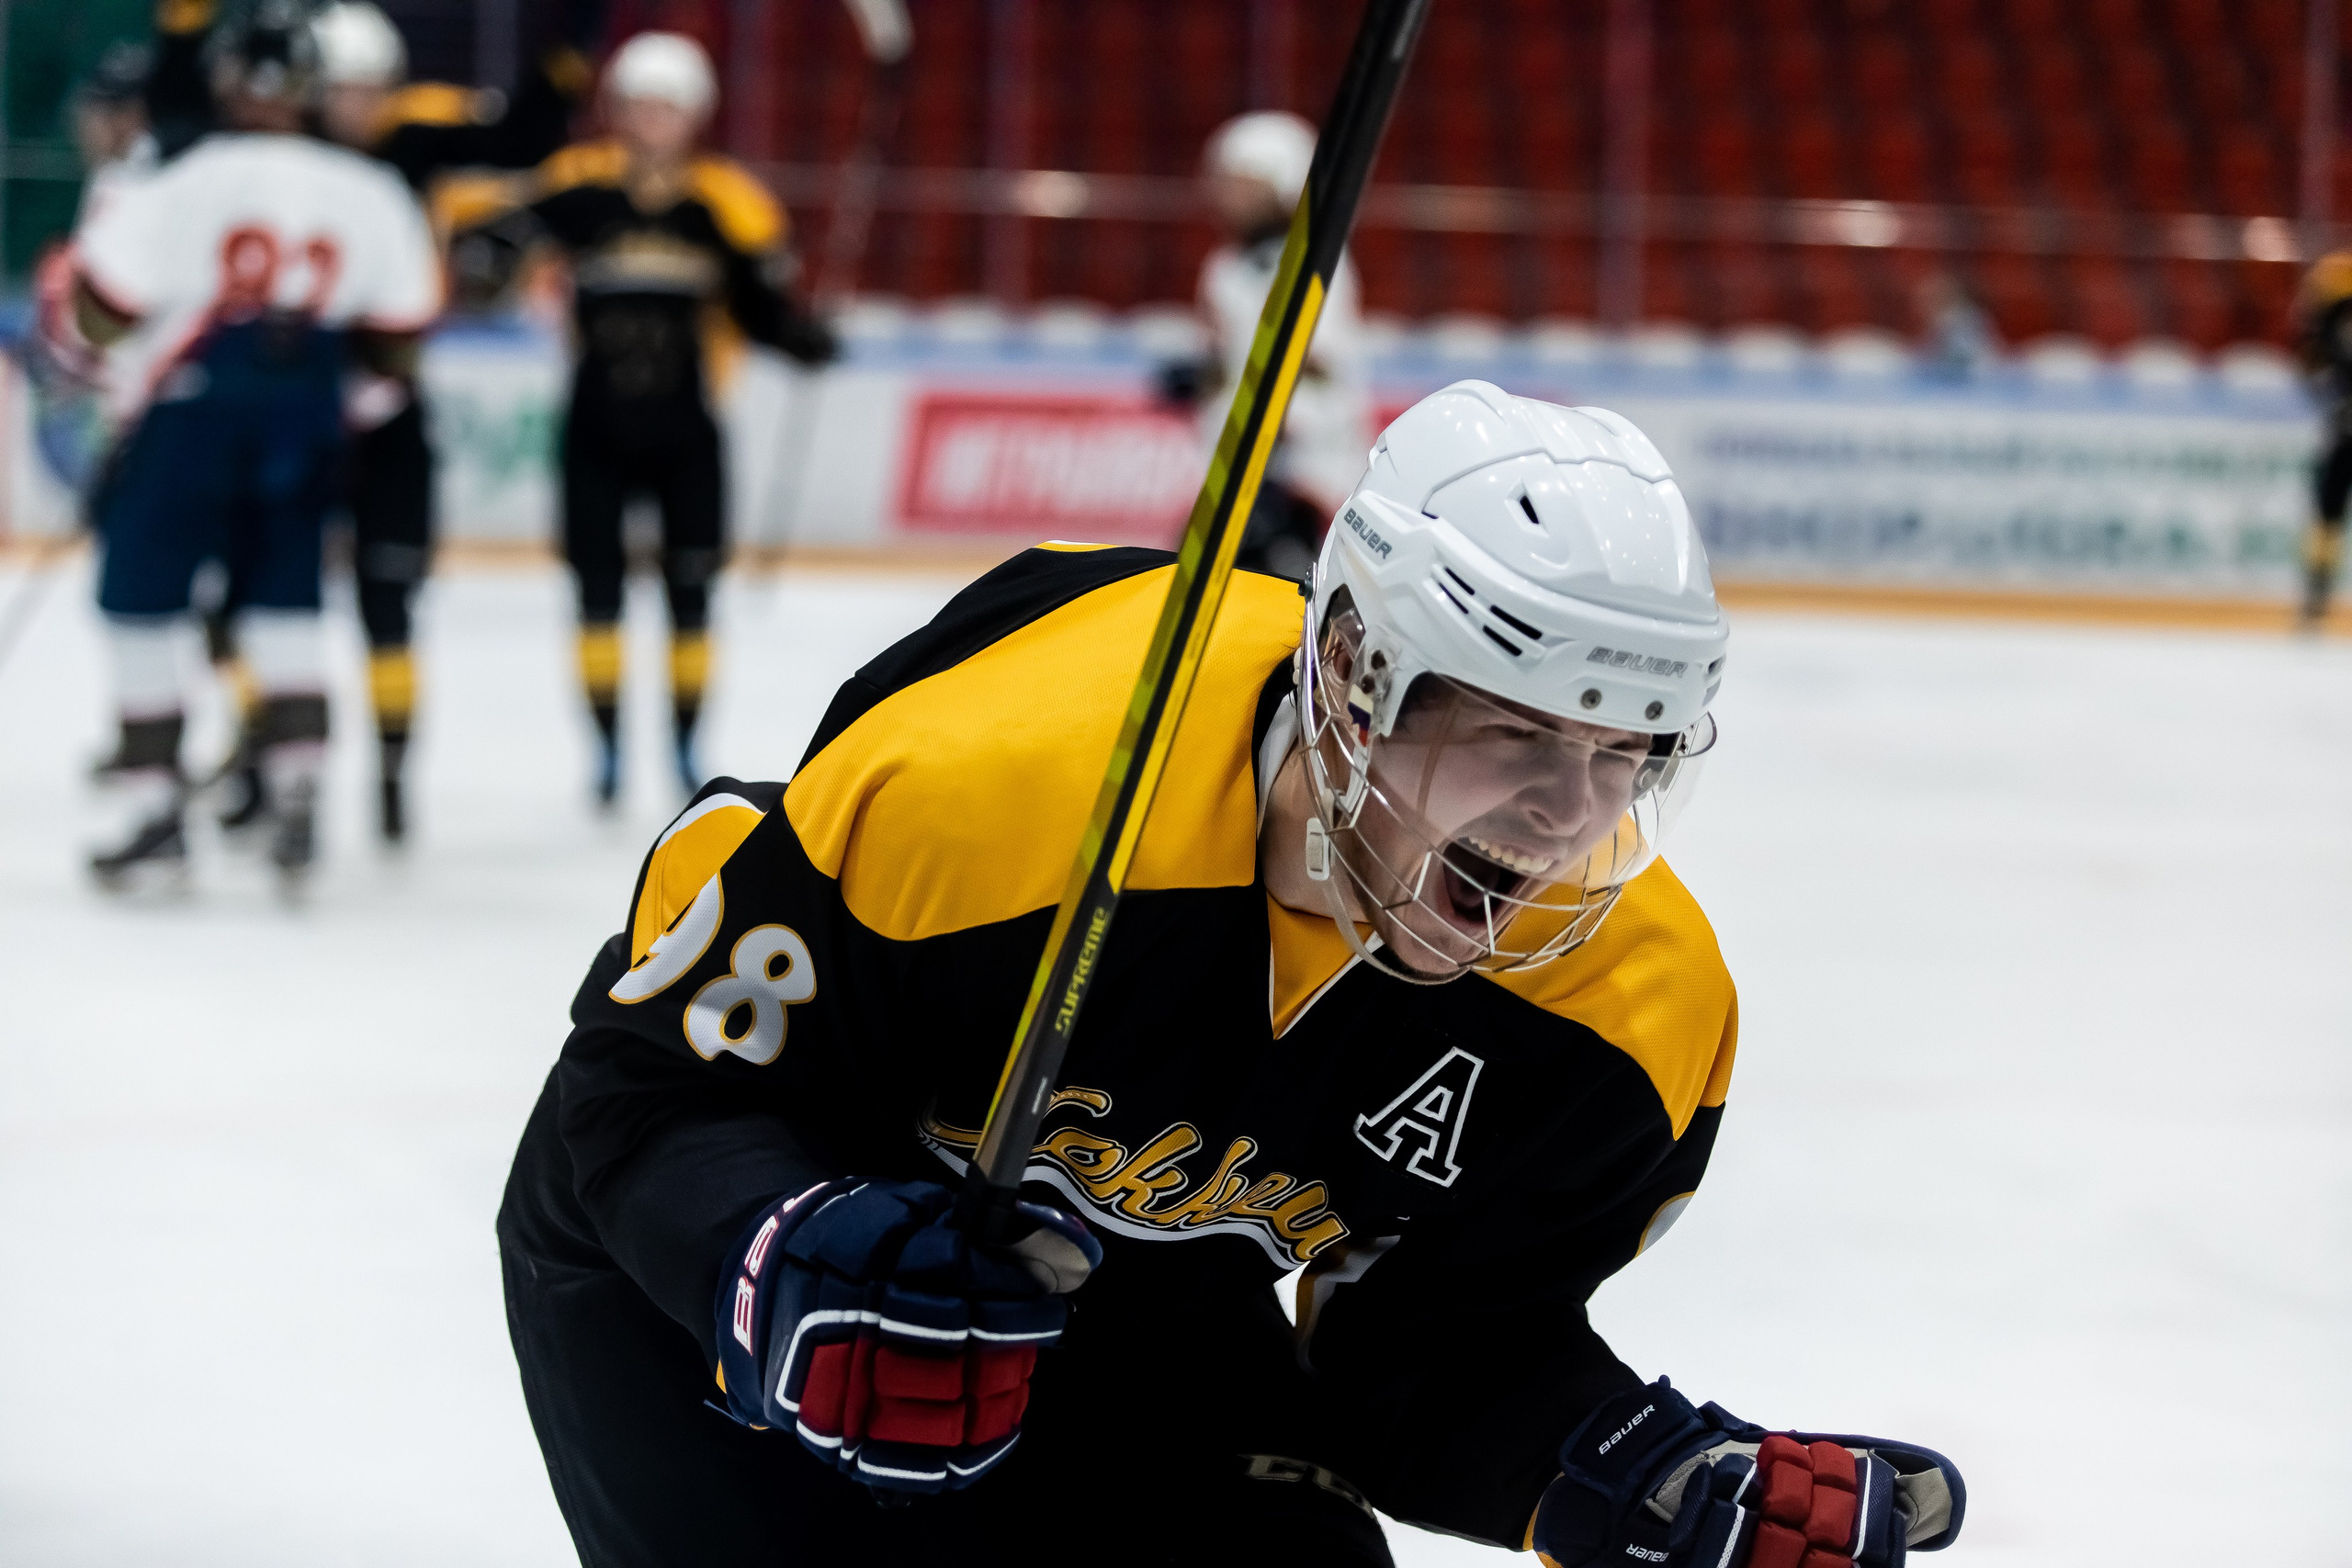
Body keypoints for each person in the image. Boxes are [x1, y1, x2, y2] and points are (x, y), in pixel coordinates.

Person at [496, 380, 1967, 1565]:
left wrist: (1624, 1468)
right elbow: (641, 1097)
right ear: (1351, 674)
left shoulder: (1626, 1008)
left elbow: (1426, 1353)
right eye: (1517, 734)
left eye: (1625, 753)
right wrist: (772, 1253)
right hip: (741, 1279)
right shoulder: (999, 786)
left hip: (1142, 1316)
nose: (1570, 813)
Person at [64, 0, 440, 889]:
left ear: (229, 79)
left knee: (142, 604)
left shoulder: (183, 177)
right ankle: (298, 796)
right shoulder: (371, 190)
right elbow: (400, 339)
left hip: (188, 413)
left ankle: (156, 810)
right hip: (305, 421)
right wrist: (338, 405)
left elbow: (103, 309)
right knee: (285, 603)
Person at [465, 31, 837, 807]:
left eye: (668, 107)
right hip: (596, 424)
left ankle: (684, 743)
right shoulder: (581, 190)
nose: (651, 120)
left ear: (694, 115)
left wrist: (801, 336)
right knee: (596, 592)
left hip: (688, 430)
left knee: (691, 594)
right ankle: (604, 750)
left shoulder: (723, 206)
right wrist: (485, 255)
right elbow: (502, 232)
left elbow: (761, 306)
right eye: (639, 104)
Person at [308, 1, 593, 843]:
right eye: (341, 91)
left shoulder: (416, 135)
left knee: (387, 600)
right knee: (262, 594)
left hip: (392, 403)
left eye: (371, 91)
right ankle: (265, 758)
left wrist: (564, 57)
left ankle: (393, 774)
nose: (358, 109)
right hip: (293, 403)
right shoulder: (275, 154)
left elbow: (522, 143)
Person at [1159, 110, 1372, 581]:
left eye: (1243, 184)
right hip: (1241, 468)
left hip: (1301, 476)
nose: (1225, 197)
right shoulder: (1224, 269)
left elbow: (1316, 366)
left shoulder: (1316, 265)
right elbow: (1225, 358)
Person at [2293, 249, 2352, 627]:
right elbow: (2313, 376)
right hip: (2343, 434)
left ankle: (2315, 598)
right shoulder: (2324, 340)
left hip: (2342, 434)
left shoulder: (2328, 333)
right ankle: (2315, 595)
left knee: (2326, 514)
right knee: (2326, 514)